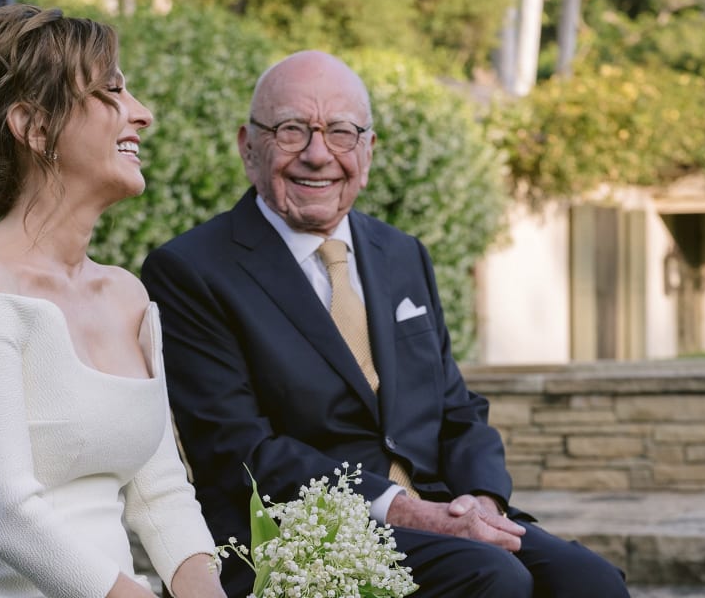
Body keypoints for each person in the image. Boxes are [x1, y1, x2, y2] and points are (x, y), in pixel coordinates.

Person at [141, 50, 630, 598]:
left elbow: (456, 409)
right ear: (247, 147)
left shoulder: (402, 254)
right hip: (300, 533)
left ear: (368, 152)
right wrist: (408, 511)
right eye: (291, 130)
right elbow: (241, 451)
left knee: (591, 582)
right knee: (493, 578)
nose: (317, 155)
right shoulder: (191, 270)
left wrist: (482, 500)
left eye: (342, 133)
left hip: (443, 509)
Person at [0, 4, 225, 598]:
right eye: (112, 91)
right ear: (34, 127)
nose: (142, 114)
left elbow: (161, 493)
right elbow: (6, 515)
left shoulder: (128, 296)